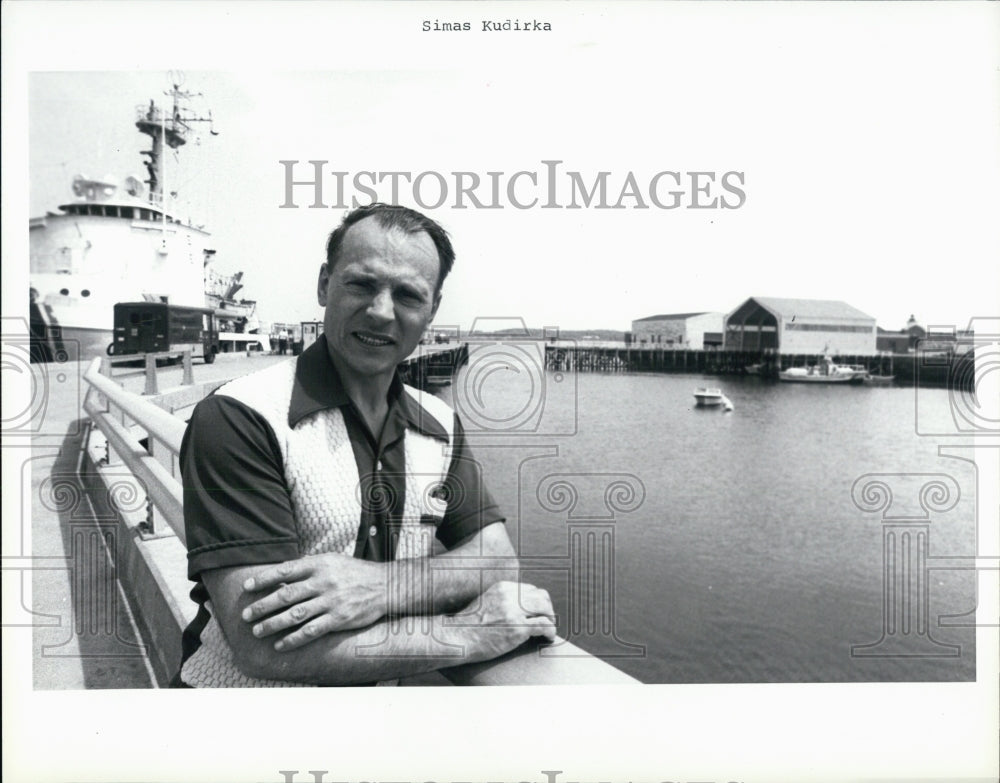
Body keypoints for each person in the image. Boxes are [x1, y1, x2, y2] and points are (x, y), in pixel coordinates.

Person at [175, 204, 555, 687]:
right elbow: (263, 646)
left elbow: (499, 557)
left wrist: (380, 587)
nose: (380, 312)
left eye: (408, 295)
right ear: (323, 285)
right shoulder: (241, 416)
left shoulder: (440, 424)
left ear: (432, 310)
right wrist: (466, 635)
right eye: (361, 284)